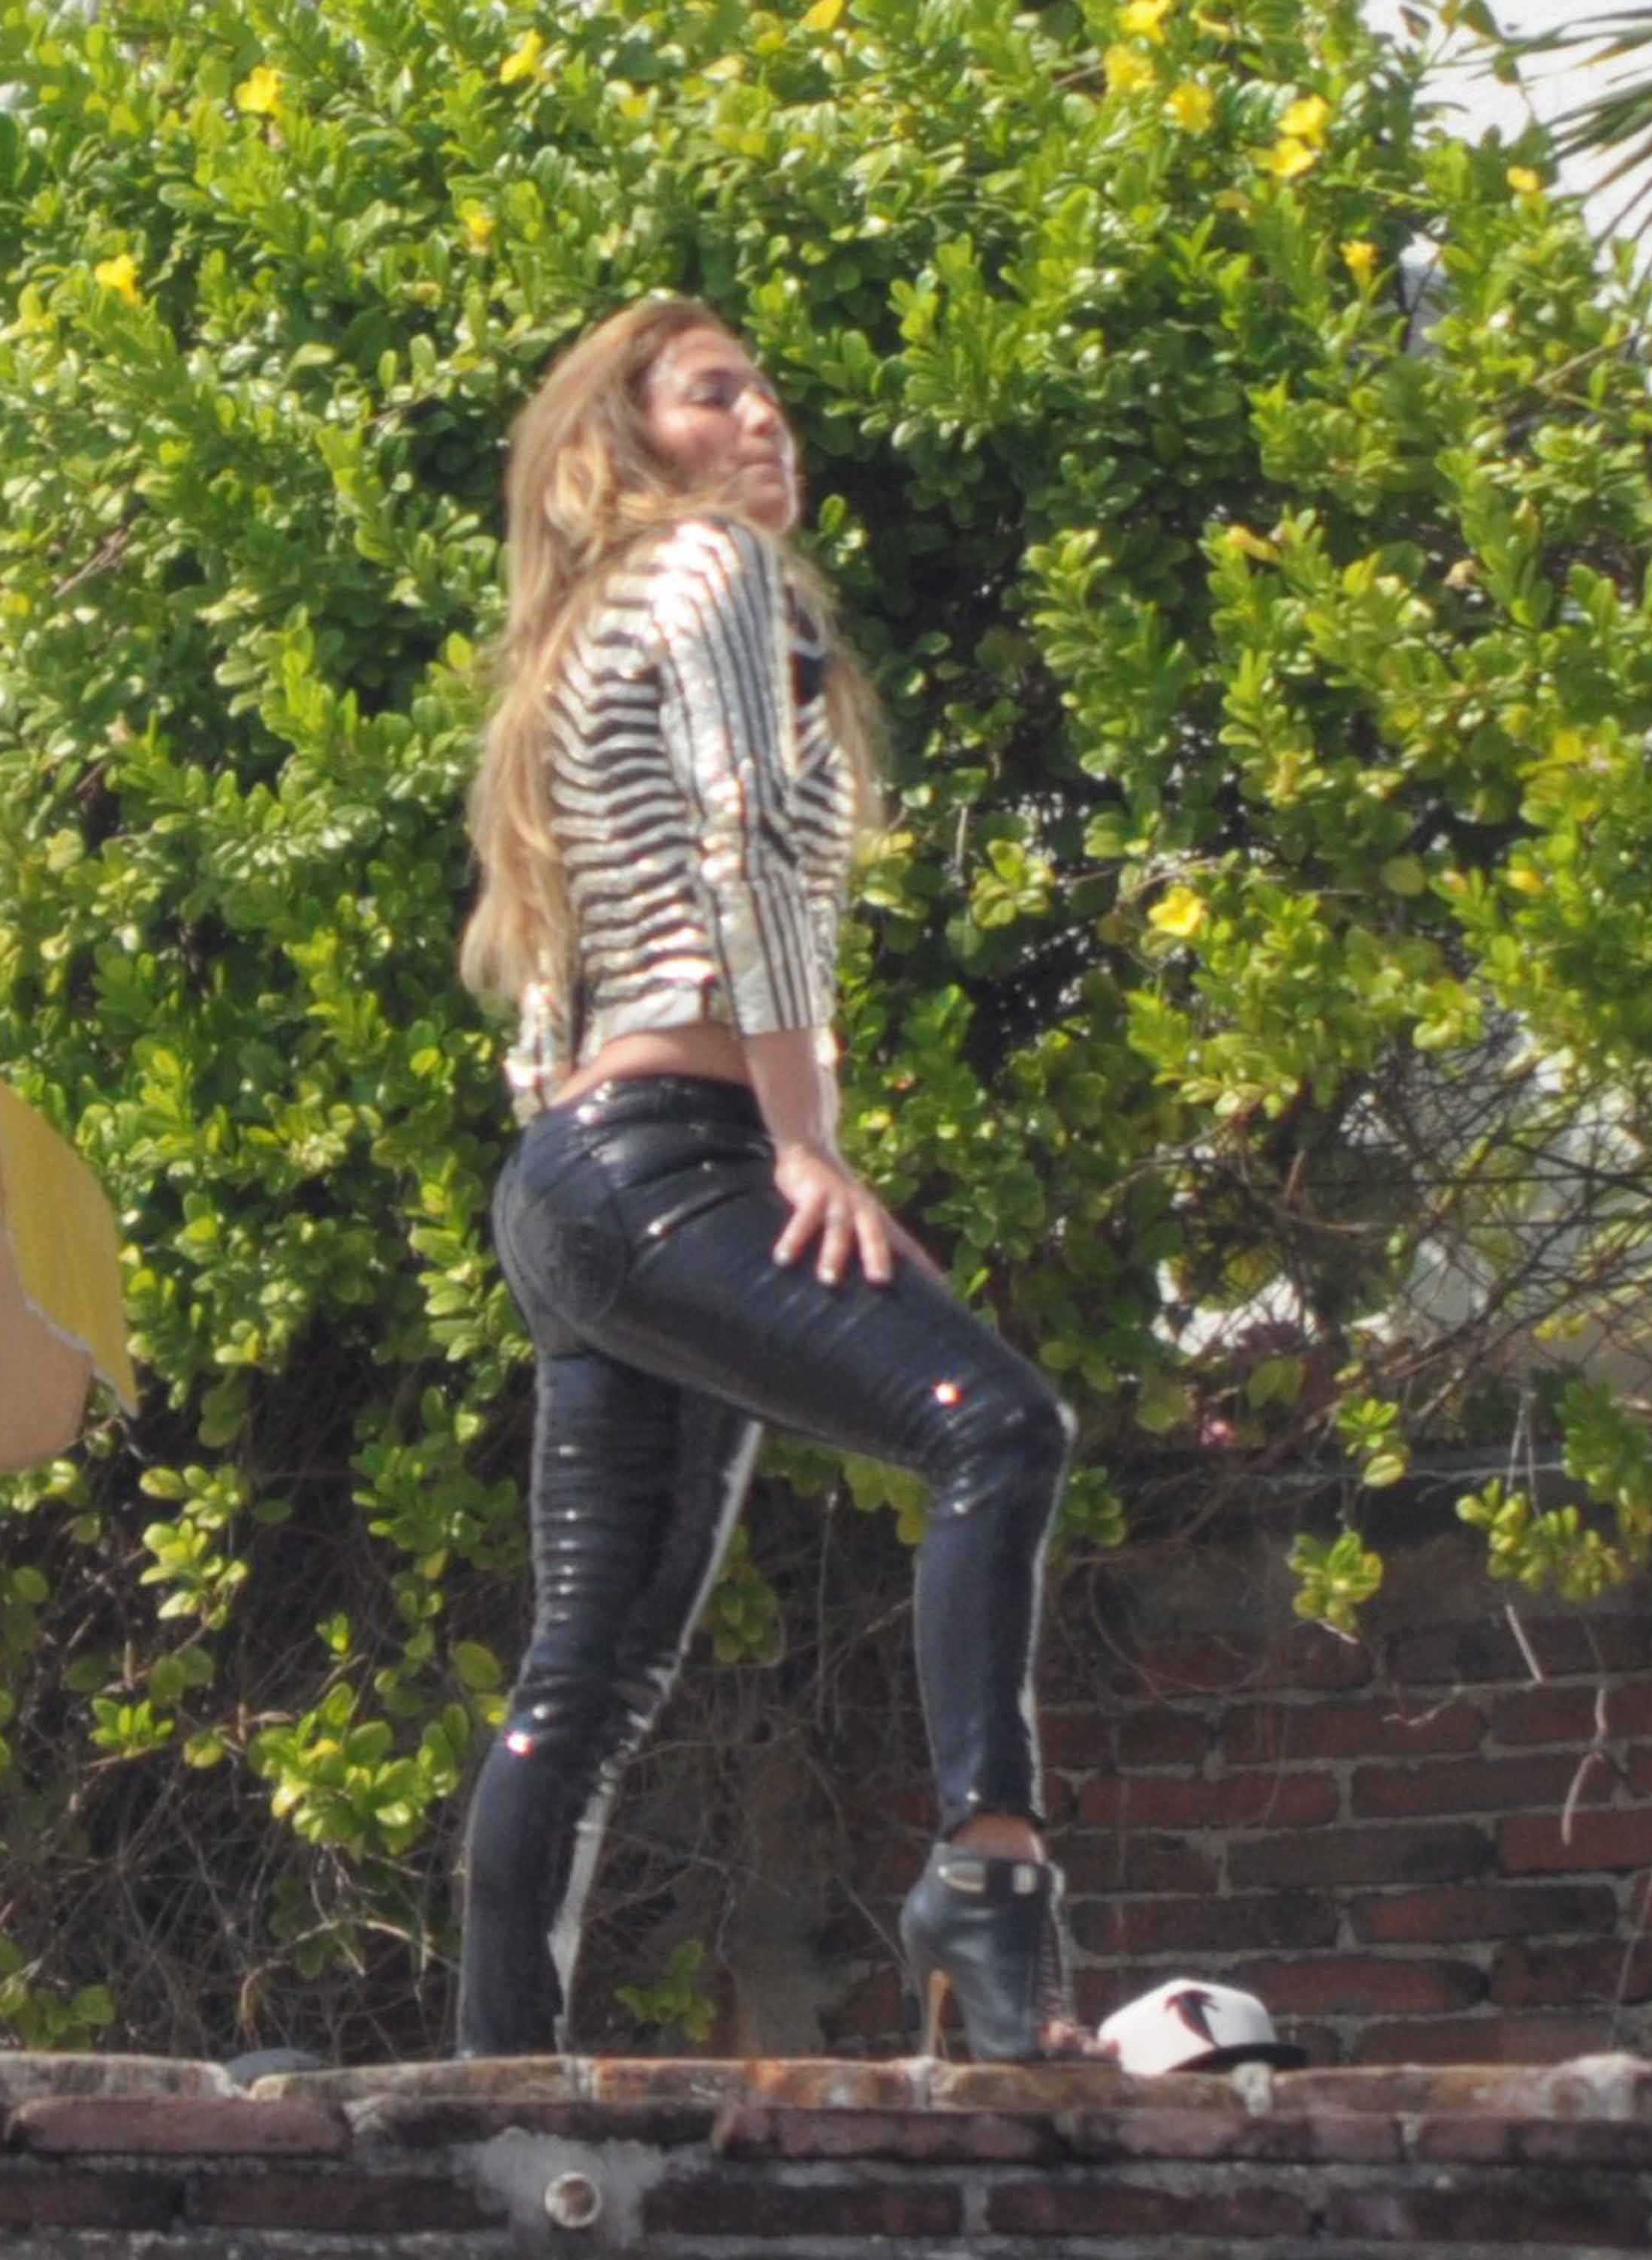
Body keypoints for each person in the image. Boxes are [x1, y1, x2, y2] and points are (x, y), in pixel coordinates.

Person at [454, 295, 1104, 2062]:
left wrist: (630, 1145)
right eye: (715, 393)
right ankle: (987, 1874)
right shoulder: (713, 572)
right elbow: (744, 834)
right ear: (627, 439)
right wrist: (803, 1135)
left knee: (591, 1673)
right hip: (672, 1158)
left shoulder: (587, 630)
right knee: (996, 1425)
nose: (765, 421)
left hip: (578, 1182)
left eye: (769, 396)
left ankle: (490, 2076)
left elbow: (558, 975)